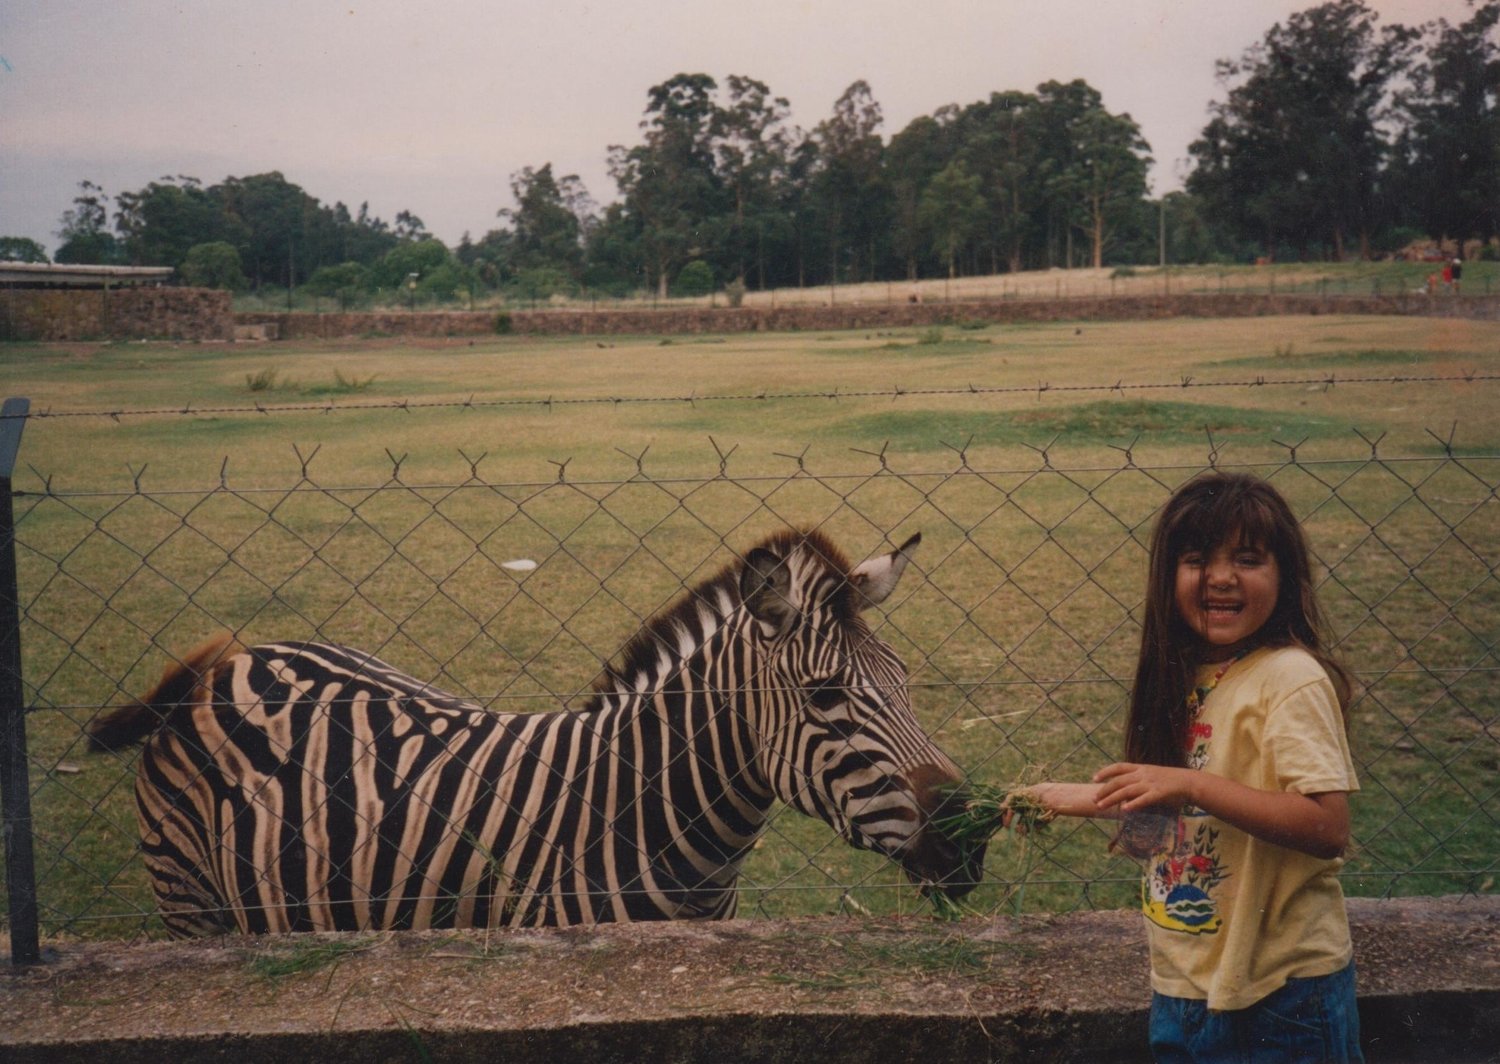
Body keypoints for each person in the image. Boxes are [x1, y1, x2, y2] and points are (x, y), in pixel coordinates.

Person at [1017, 472, 1362, 1063]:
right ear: (1166, 578)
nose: (1222, 577)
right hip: (1181, 983)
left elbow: (1327, 828)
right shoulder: (1185, 675)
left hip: (1281, 992)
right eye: (1198, 559)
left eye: (1248, 559)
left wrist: (1190, 781)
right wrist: (1082, 797)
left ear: (1286, 577)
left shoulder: (1289, 679)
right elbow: (1180, 807)